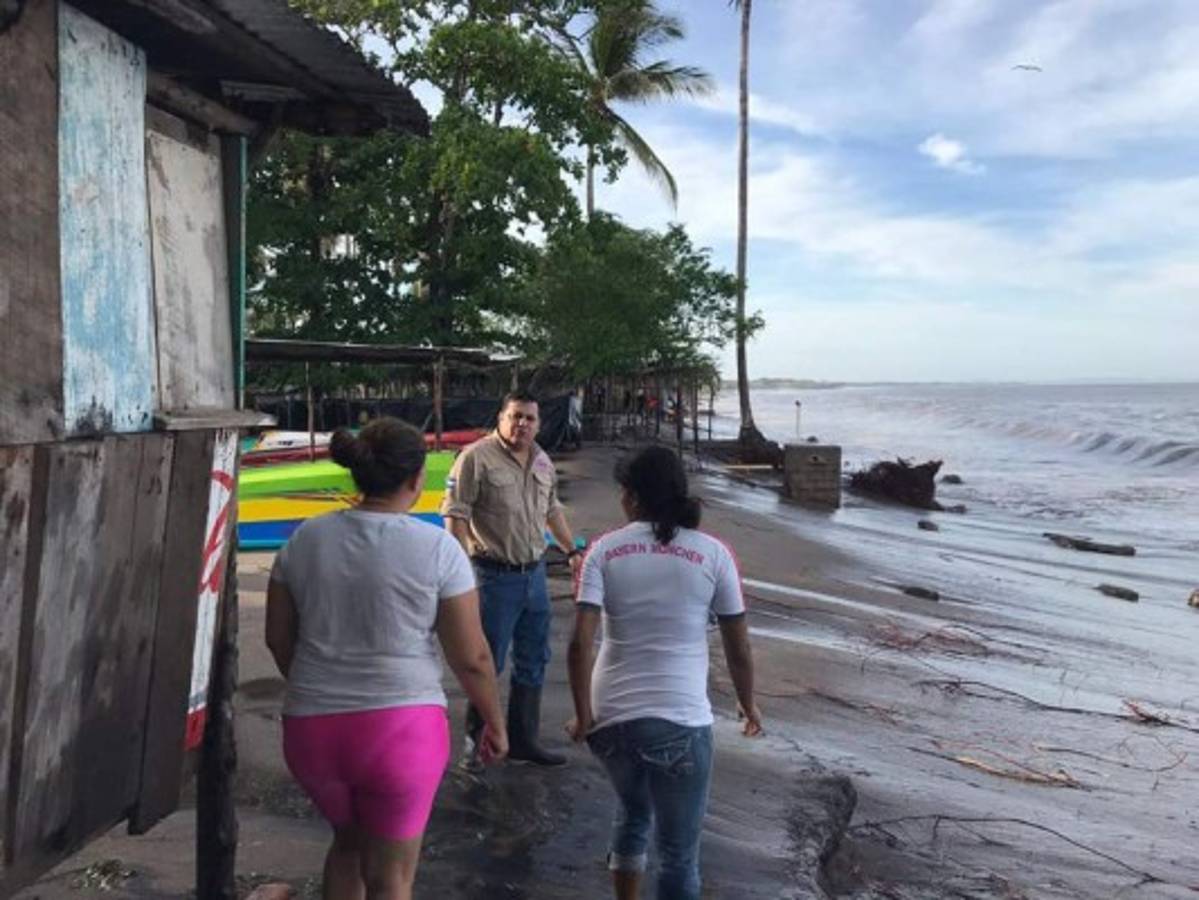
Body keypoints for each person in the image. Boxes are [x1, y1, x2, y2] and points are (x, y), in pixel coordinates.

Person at [266, 418, 507, 900]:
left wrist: (320, 686)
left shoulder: (304, 540)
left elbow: (277, 638)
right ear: (417, 480)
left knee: (348, 846)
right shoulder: (437, 548)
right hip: (400, 734)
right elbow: (474, 657)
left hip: (312, 733)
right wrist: (495, 723)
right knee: (392, 880)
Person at [566, 445, 762, 900]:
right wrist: (748, 702)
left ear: (632, 497)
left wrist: (583, 716)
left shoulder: (603, 551)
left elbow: (579, 645)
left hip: (610, 720)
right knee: (678, 853)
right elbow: (739, 644)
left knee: (633, 813)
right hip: (679, 723)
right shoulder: (713, 554)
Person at [441, 390, 583, 768]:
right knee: (486, 661)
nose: (522, 424)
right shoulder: (475, 458)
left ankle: (524, 739)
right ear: (501, 417)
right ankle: (476, 745)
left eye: (530, 419)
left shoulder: (542, 459)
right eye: (516, 416)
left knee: (534, 657)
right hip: (493, 577)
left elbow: (552, 509)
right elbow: (455, 514)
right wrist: (458, 571)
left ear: (539, 423)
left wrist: (572, 550)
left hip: (534, 575)